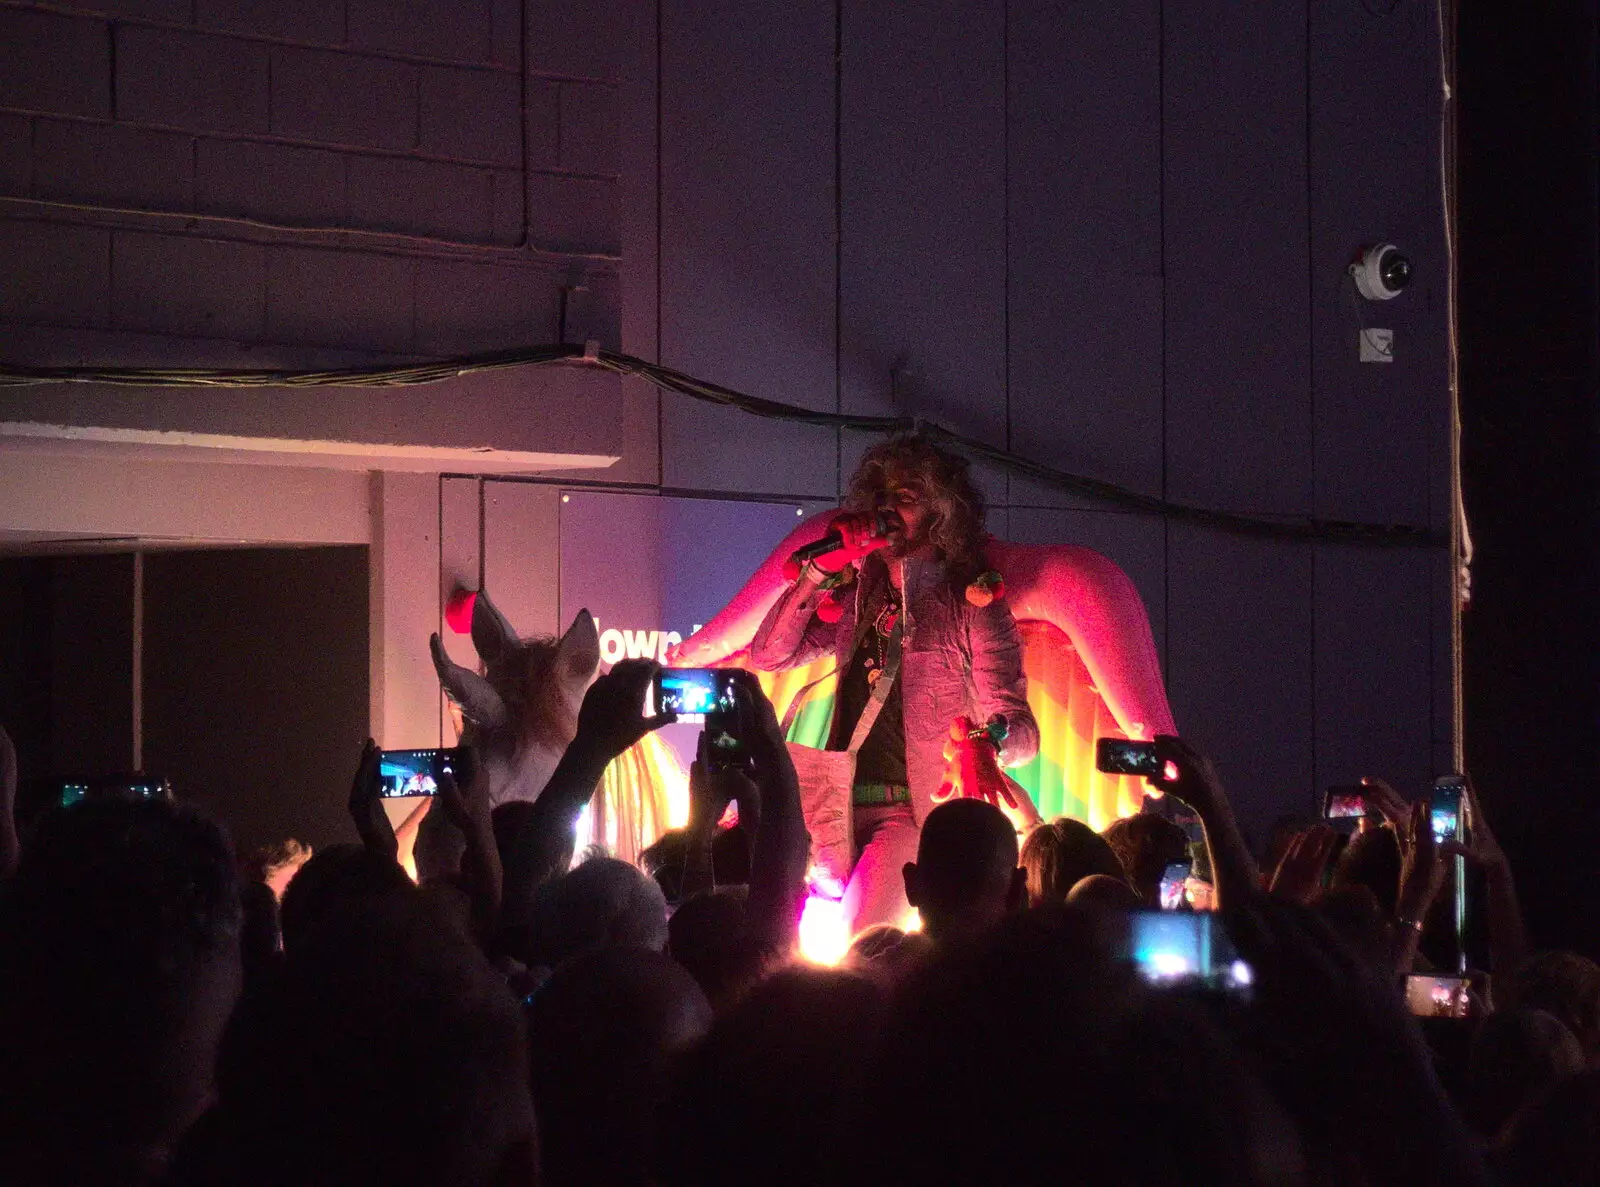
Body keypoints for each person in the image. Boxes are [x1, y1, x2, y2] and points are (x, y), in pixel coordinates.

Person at [749, 435, 1039, 931]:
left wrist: (984, 741)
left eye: (905, 495)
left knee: (863, 942)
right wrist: (821, 569)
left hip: (911, 813)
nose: (886, 506)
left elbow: (1023, 732)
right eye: (880, 495)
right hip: (831, 808)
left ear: (943, 511)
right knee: (789, 945)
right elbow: (769, 654)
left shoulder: (972, 604)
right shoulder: (859, 590)